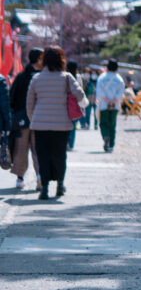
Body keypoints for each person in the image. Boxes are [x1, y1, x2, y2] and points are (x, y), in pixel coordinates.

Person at [26, 46, 86, 200]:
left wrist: (34, 119)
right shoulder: (67, 77)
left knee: (43, 156)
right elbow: (80, 95)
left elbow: (29, 103)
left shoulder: (36, 78)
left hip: (40, 124)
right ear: (61, 60)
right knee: (59, 155)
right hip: (62, 124)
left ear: (43, 60)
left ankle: (44, 188)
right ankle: (60, 184)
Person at [9, 47, 44, 190]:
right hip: (39, 119)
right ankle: (39, 177)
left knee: (21, 148)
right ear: (38, 59)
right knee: (38, 150)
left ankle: (20, 178)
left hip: (22, 120)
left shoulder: (21, 76)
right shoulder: (42, 77)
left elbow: (12, 97)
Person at [96, 59, 125, 153]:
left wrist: (107, 100)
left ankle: (105, 137)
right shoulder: (119, 79)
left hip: (104, 105)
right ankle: (111, 144)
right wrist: (113, 101)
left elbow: (99, 91)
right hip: (115, 105)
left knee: (103, 123)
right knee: (112, 125)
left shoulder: (102, 77)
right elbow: (121, 93)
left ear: (107, 67)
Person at [65, 61, 84, 151]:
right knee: (73, 125)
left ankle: (66, 142)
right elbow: (80, 90)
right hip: (74, 103)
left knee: (65, 124)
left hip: (65, 103)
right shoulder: (78, 77)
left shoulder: (64, 76)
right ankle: (71, 144)